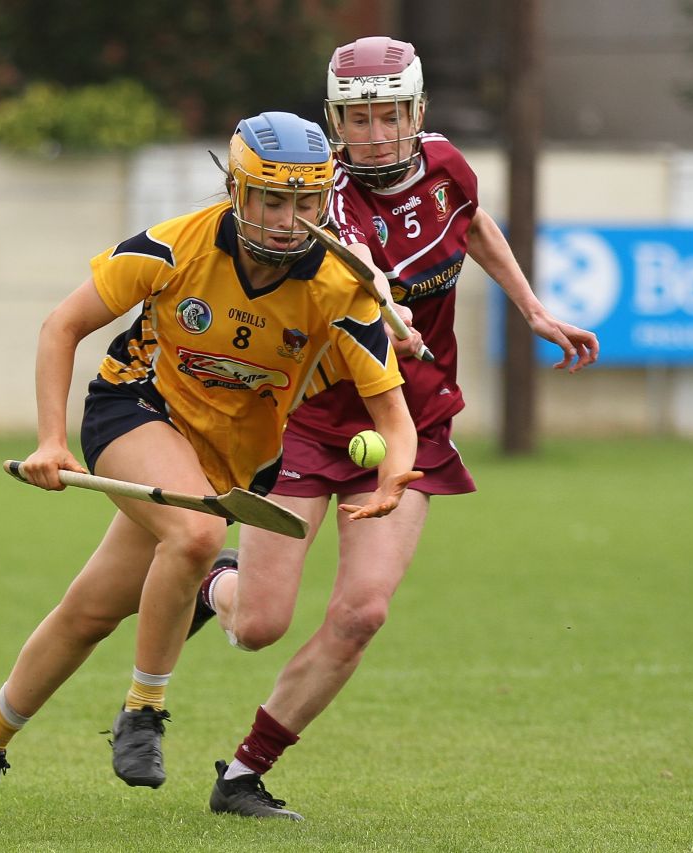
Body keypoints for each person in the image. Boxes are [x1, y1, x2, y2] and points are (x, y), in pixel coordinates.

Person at [0, 111, 422, 826]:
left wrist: (395, 474)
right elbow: (61, 327)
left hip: (233, 458)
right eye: (271, 198)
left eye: (305, 201)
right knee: (197, 539)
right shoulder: (175, 247)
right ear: (236, 190)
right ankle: (145, 708)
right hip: (138, 410)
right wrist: (51, 439)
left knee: (90, 613)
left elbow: (394, 418)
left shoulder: (338, 286)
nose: (289, 220)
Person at [192, 37, 600, 821]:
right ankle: (213, 581)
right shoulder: (325, 202)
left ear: (417, 113)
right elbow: (358, 275)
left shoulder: (448, 165)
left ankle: (243, 773)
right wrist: (389, 314)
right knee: (259, 627)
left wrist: (532, 307)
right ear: (334, 119)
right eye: (357, 116)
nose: (374, 132)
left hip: (413, 420)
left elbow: (471, 224)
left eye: (388, 115)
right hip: (311, 420)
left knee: (363, 613)